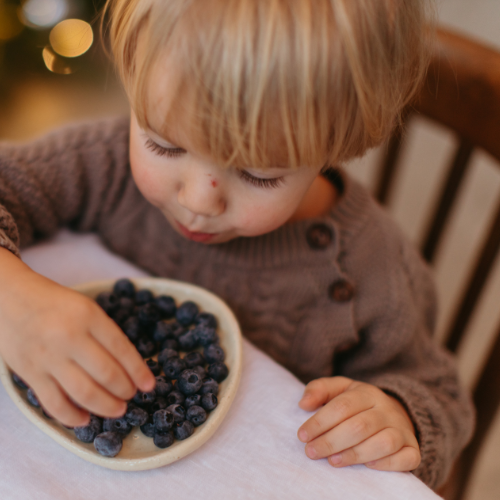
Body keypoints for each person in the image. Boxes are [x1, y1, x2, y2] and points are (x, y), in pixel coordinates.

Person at [0, 0, 473, 490]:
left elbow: (439, 393)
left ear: (337, 142)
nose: (197, 201)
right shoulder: (100, 165)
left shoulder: (367, 269)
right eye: (164, 144)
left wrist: (399, 416)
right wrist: (12, 297)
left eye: (257, 174)